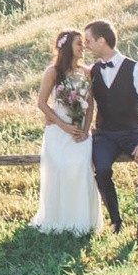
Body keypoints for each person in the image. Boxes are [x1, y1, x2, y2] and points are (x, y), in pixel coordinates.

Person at [83, 17, 138, 241]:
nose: (86, 46)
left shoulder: (135, 69)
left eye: (88, 41)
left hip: (132, 133)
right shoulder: (92, 71)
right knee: (102, 169)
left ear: (101, 41)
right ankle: (116, 221)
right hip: (104, 135)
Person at [29, 28, 102, 234]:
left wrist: (85, 131)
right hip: (58, 130)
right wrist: (63, 125)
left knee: (80, 166)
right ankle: (59, 220)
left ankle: (82, 221)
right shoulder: (53, 72)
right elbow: (42, 103)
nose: (83, 47)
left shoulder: (87, 72)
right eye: (79, 43)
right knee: (60, 168)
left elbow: (91, 105)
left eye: (83, 43)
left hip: (80, 131)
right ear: (67, 46)